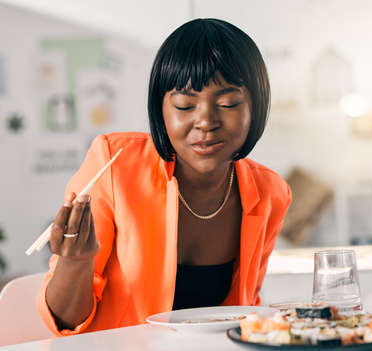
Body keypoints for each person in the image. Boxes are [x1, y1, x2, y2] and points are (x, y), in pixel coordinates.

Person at [37, 18, 292, 336]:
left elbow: (242, 311)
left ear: (256, 106)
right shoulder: (114, 165)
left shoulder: (270, 192)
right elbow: (64, 322)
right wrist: (75, 262)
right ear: (161, 109)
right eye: (185, 105)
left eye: (227, 103)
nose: (205, 122)